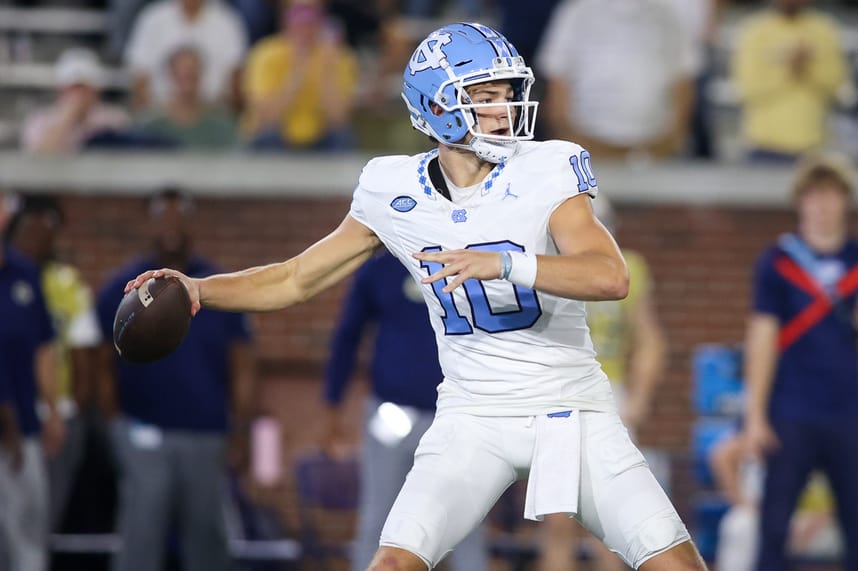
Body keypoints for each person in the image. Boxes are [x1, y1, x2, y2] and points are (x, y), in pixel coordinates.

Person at [127, 23, 708, 571]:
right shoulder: (392, 188)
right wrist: (200, 288)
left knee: (675, 562)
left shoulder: (547, 169)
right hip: (472, 418)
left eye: (508, 94)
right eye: (485, 97)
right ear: (438, 107)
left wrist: (505, 263)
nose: (505, 110)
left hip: (569, 409)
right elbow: (294, 278)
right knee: (392, 562)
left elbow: (610, 277)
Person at [96, 188, 255, 571]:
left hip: (206, 434)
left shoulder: (218, 285)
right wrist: (115, 424)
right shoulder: (122, 287)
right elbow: (100, 364)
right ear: (149, 225)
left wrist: (241, 429)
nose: (172, 226)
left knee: (207, 540)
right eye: (163, 217)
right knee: (140, 536)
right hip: (143, 432)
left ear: (193, 224)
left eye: (180, 217)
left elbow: (243, 364)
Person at [322, 249, 489, 571]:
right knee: (380, 516)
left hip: (457, 414)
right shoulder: (381, 267)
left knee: (466, 520)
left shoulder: (464, 259)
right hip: (393, 413)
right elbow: (348, 335)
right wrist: (333, 405)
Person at [538, 196, 668, 571]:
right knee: (560, 521)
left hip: (606, 392)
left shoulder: (627, 267)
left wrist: (639, 397)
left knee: (609, 524)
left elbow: (650, 341)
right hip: (562, 392)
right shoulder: (547, 266)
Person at [744, 152, 858, 570]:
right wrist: (755, 415)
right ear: (800, 202)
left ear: (846, 201)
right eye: (813, 194)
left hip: (851, 412)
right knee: (774, 529)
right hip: (791, 412)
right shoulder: (778, 262)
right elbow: (762, 338)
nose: (823, 204)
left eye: (832, 194)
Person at [3, 195, 104, 532]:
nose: (37, 241)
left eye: (46, 233)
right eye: (31, 231)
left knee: (39, 522)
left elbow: (76, 356)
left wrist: (66, 412)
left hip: (50, 416)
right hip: (11, 410)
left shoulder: (64, 283)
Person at [536, 0, 695, 161]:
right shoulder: (576, 12)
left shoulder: (669, 14)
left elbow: (683, 84)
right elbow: (557, 89)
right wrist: (574, 144)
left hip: (655, 153)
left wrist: (664, 146)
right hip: (588, 151)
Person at [0, 198, 63, 571]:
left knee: (30, 537)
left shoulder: (25, 273)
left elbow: (44, 348)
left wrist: (51, 411)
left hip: (24, 428)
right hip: (8, 425)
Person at [732, 0, 848, 163]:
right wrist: (789, 69)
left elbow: (836, 86)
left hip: (812, 145)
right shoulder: (756, 30)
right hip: (764, 145)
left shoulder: (823, 29)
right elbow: (747, 89)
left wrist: (805, 69)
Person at [242, 0, 358, 151]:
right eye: (298, 20)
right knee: (268, 137)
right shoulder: (266, 54)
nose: (305, 29)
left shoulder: (339, 57)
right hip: (276, 137)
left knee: (342, 138)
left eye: (311, 20)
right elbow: (266, 118)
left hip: (319, 138)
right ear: (285, 22)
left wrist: (327, 72)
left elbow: (339, 118)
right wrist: (296, 74)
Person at [124, 0, 247, 112]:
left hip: (211, 112)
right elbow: (140, 77)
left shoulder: (227, 20)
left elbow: (235, 81)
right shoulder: (153, 18)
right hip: (160, 112)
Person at [21, 48, 131, 154]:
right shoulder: (39, 120)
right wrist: (67, 117)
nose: (79, 95)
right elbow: (39, 158)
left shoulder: (115, 120)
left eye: (84, 88)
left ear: (96, 91)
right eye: (73, 88)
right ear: (61, 90)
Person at [137, 46, 239, 150]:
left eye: (191, 75)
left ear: (200, 74)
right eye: (181, 75)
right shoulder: (150, 126)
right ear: (170, 75)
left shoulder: (221, 125)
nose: (186, 83)